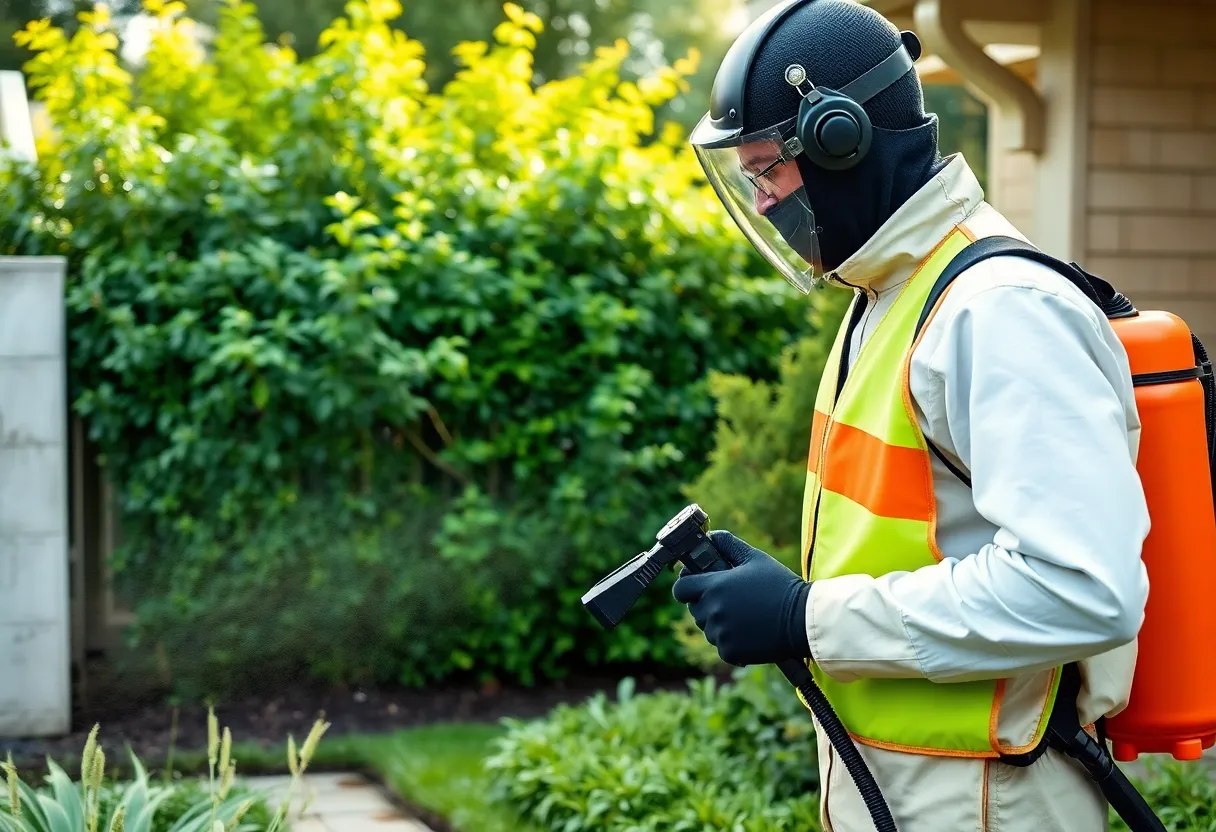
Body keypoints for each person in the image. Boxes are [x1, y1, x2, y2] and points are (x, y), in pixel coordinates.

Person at [671, 1, 1151, 830]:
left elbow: (1084, 590)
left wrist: (803, 616)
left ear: (839, 142)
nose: (760, 200)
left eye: (767, 171)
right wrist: (788, 594)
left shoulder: (998, 311)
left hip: (993, 803)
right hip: (917, 792)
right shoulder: (890, 292)